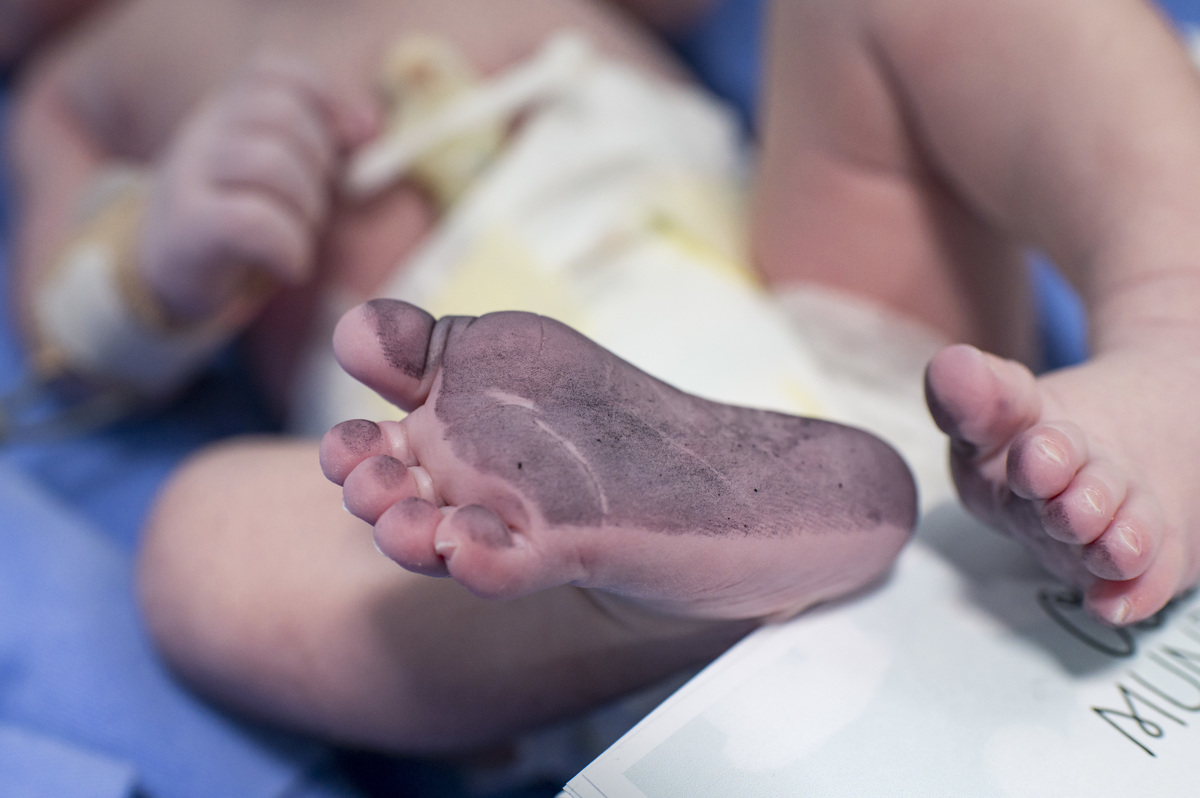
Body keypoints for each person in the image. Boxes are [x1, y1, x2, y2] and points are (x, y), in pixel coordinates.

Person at [3, 0, 1197, 763]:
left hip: (812, 312)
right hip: (479, 505)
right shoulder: (84, 74)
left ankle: (1175, 331)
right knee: (201, 541)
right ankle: (653, 590)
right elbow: (72, 344)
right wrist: (156, 257)